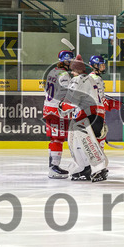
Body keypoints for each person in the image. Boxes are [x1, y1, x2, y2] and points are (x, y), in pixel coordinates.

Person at [44, 50, 75, 179]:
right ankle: (53, 168)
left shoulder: (52, 71)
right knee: (58, 139)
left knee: (54, 139)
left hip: (48, 108)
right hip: (57, 111)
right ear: (65, 61)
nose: (72, 63)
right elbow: (68, 93)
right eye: (70, 61)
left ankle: (53, 166)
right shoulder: (64, 75)